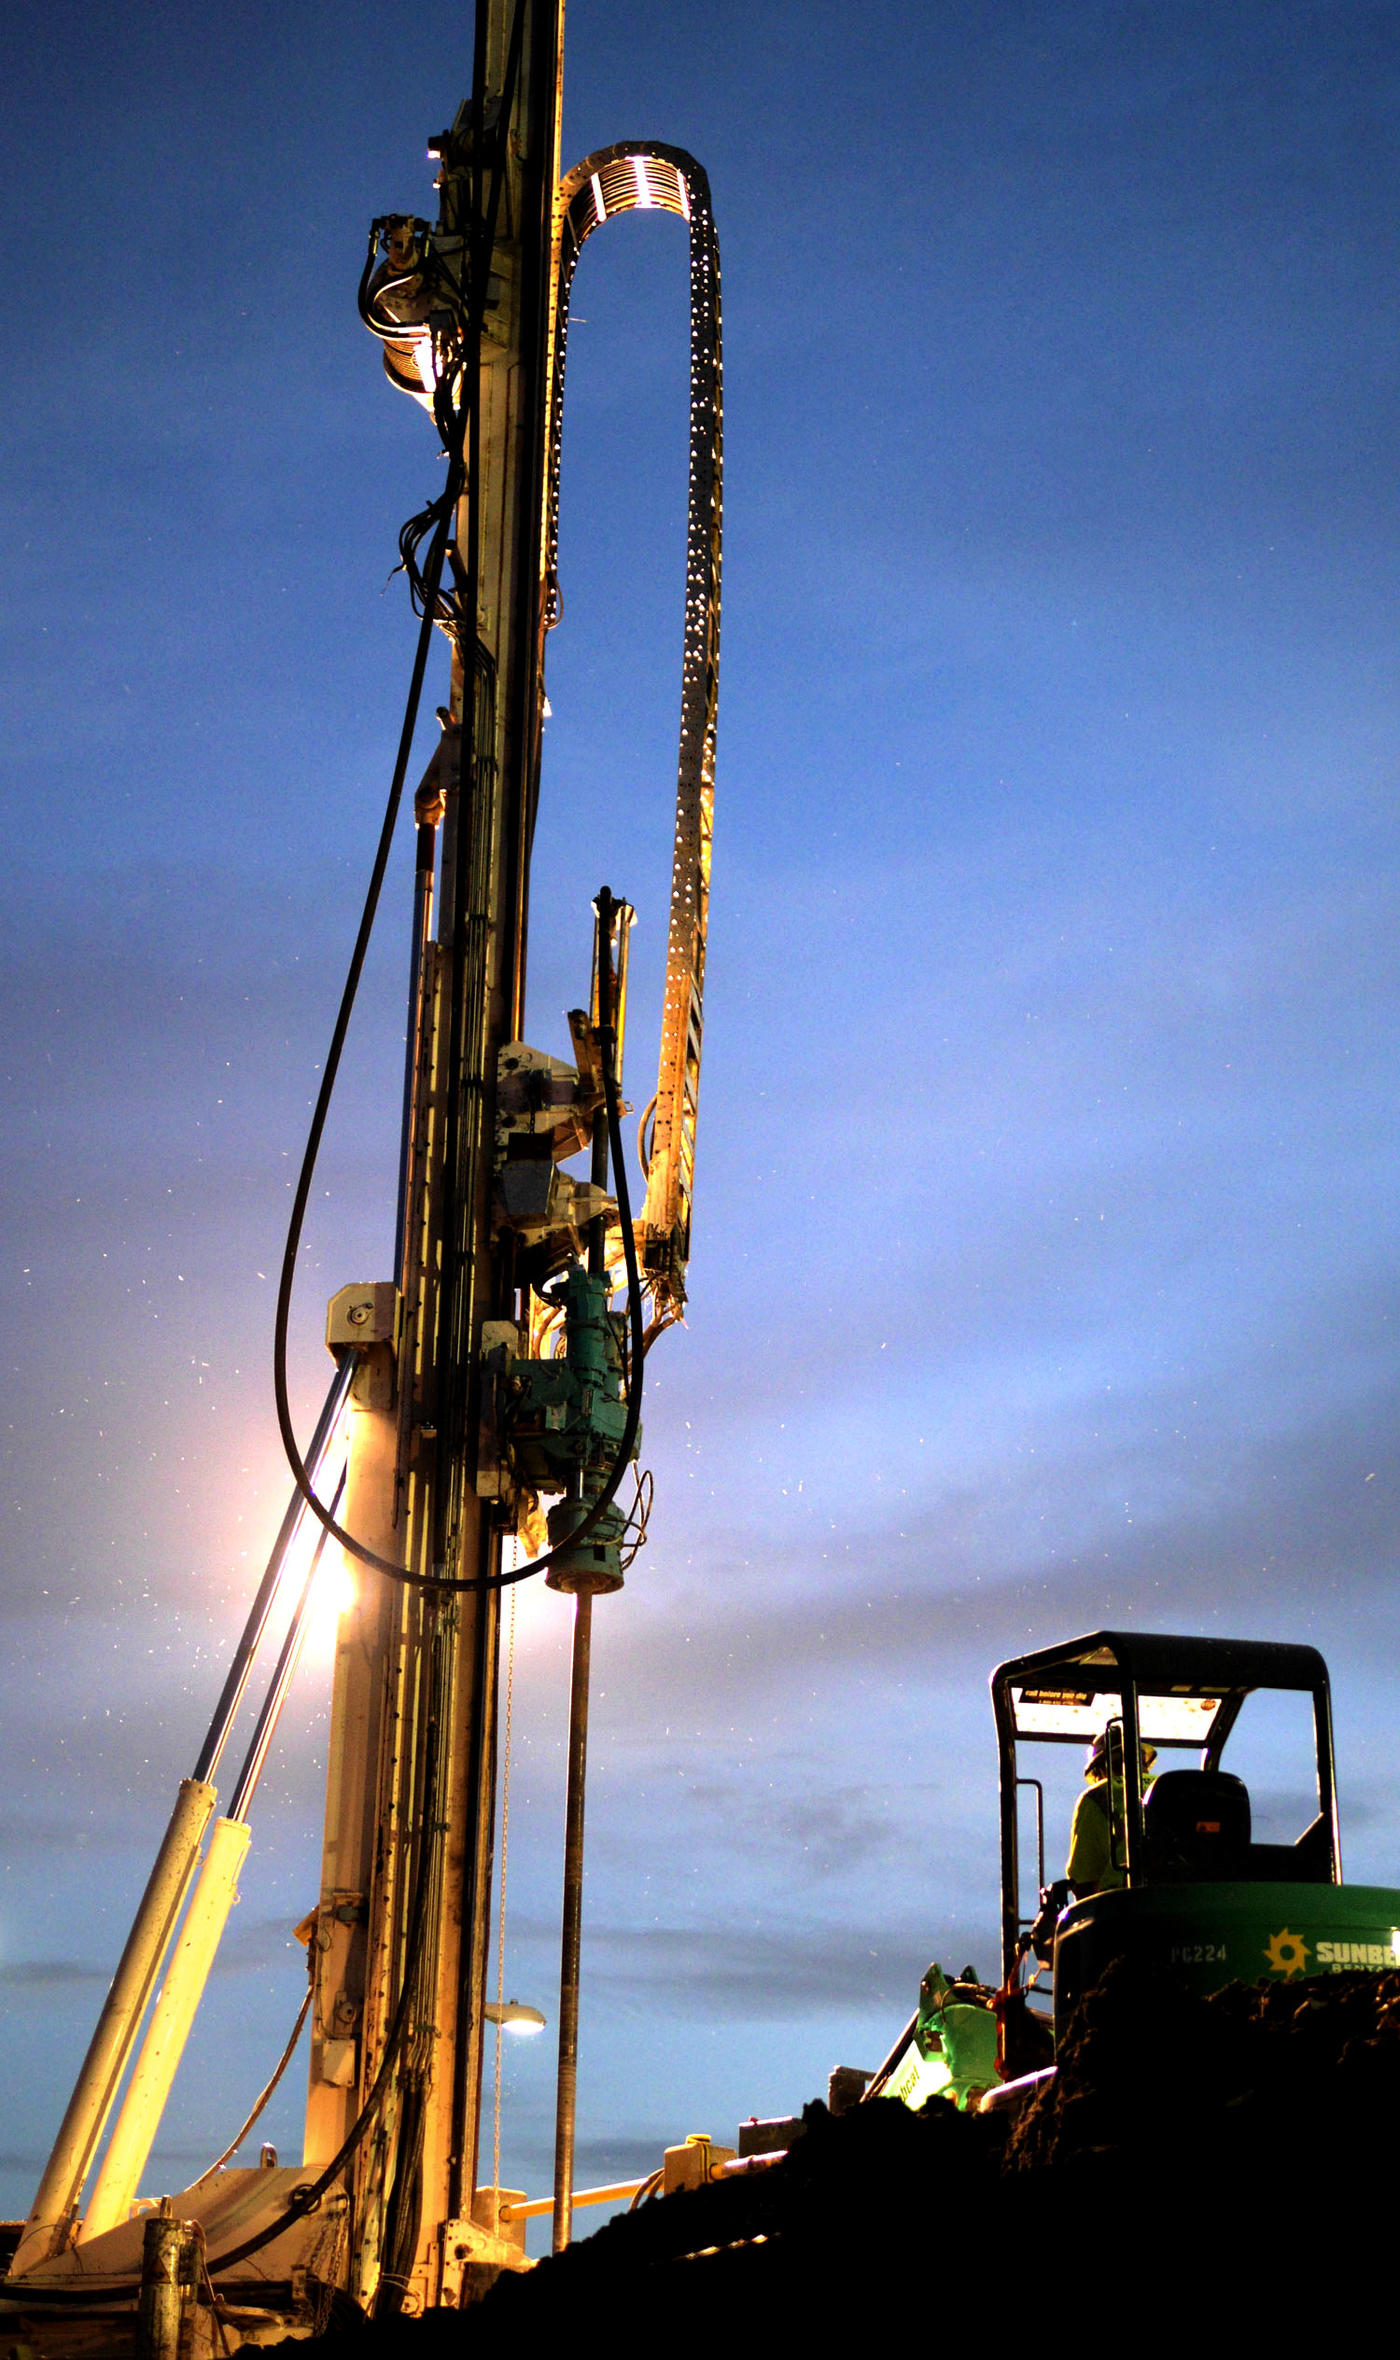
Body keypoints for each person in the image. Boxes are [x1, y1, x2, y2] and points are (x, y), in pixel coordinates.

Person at [1065, 1731, 1157, 1897]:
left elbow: (1084, 1882)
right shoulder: (1172, 1789)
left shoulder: (1096, 1796)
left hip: (1123, 1903)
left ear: (1099, 1770)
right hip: (1185, 1902)